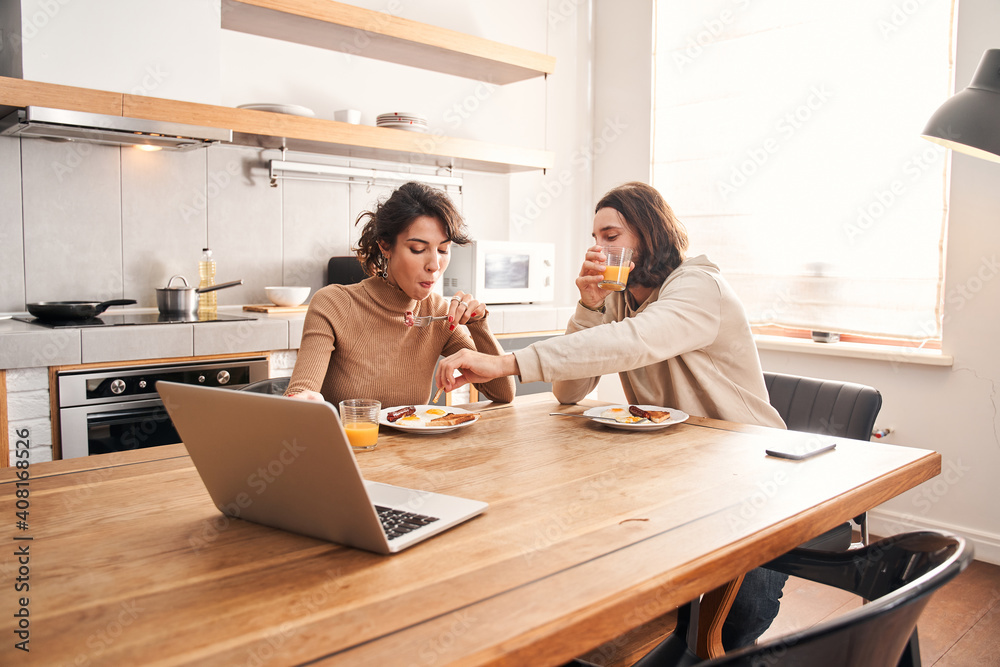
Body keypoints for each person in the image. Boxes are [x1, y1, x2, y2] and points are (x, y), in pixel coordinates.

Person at [434, 181, 786, 651]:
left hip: (750, 469)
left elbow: (632, 342)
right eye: (595, 237)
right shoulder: (621, 298)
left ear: (648, 233)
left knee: (736, 624)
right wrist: (589, 305)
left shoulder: (698, 287)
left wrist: (507, 362)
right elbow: (568, 391)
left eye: (611, 236)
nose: (597, 248)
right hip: (682, 467)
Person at [284, 181, 514, 408]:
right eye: (418, 249)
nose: (435, 264)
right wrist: (302, 401)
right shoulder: (333, 304)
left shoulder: (438, 314)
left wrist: (478, 324)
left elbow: (502, 393)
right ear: (385, 245)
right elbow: (302, 393)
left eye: (443, 249)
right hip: (349, 445)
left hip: (414, 446)